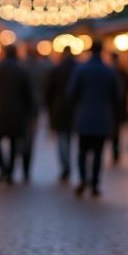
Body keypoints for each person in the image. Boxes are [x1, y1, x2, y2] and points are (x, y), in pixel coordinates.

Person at [67, 40, 120, 197]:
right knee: (98, 153)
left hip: (84, 117)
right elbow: (117, 96)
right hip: (102, 117)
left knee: (82, 152)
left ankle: (83, 178)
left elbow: (71, 93)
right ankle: (95, 182)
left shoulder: (81, 69)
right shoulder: (109, 71)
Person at [0, 45, 34, 184]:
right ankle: (10, 171)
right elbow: (27, 94)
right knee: (14, 141)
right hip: (17, 112)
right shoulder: (22, 70)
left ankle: (2, 168)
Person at [45, 49, 77, 181]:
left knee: (62, 139)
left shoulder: (57, 69)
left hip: (59, 109)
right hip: (74, 109)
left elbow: (49, 92)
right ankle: (69, 164)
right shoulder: (78, 69)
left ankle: (65, 165)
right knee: (72, 139)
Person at [21, 46, 52, 181]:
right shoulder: (42, 69)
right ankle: (27, 167)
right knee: (30, 137)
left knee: (22, 137)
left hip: (22, 107)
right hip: (35, 107)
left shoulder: (21, 68)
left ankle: (23, 164)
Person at [109, 52, 128, 165]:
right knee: (116, 130)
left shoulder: (111, 72)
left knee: (115, 130)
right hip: (118, 106)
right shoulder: (121, 72)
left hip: (114, 107)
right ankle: (115, 151)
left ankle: (115, 151)